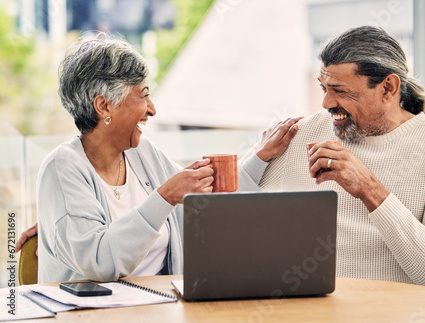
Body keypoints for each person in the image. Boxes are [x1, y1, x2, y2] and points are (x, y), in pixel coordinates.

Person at [30, 35, 300, 284]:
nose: (152, 109)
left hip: (160, 307)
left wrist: (260, 156)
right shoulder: (62, 168)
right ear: (103, 106)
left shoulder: (141, 152)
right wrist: (165, 197)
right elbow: (101, 262)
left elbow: (205, 202)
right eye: (144, 95)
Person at [254, 26, 425, 293]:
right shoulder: (302, 132)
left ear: (388, 87)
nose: (326, 103)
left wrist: (369, 189)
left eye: (340, 91)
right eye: (324, 88)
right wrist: (258, 158)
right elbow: (226, 213)